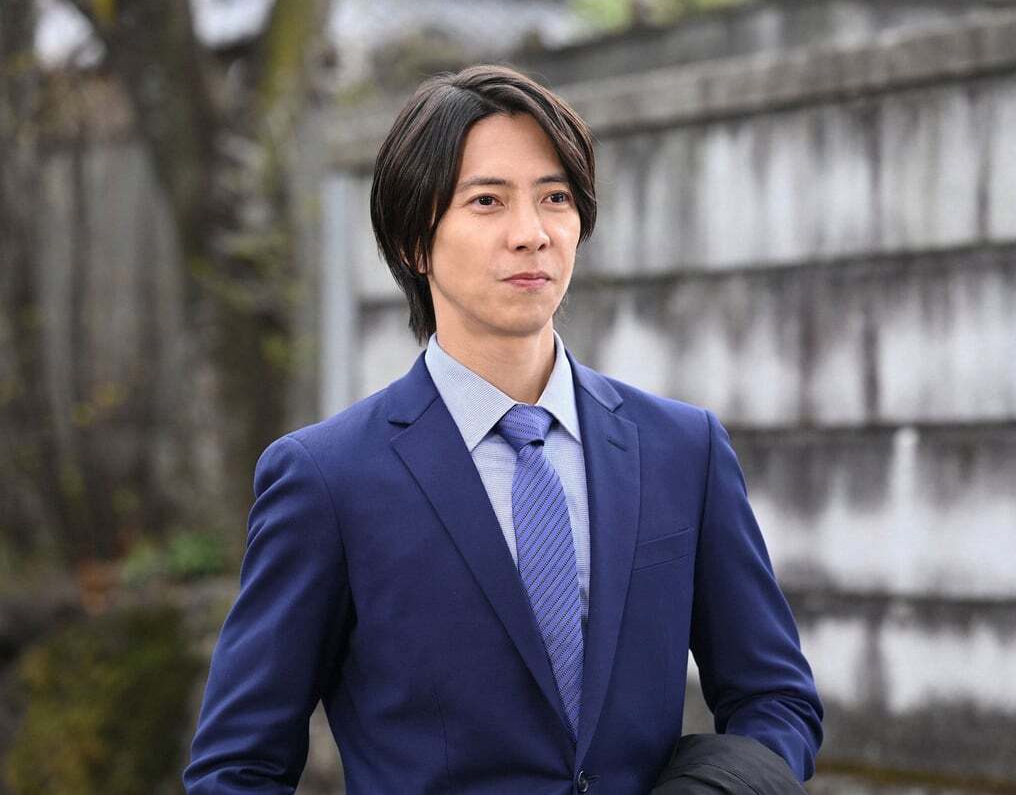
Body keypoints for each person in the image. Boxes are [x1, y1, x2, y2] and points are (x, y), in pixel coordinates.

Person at [184, 63, 822, 794]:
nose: (531, 234)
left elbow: (777, 699)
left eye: (555, 198)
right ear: (413, 242)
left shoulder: (683, 449)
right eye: (487, 201)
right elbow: (237, 767)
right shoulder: (328, 479)